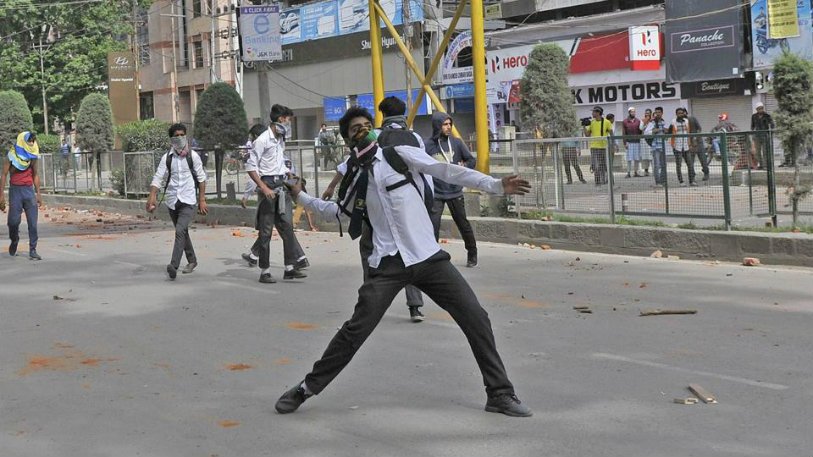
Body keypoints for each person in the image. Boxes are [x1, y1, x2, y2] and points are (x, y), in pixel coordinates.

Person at [273, 106, 533, 417]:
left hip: (427, 256)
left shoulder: (399, 155)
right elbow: (337, 213)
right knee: (354, 331)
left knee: (476, 317)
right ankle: (306, 389)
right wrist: (301, 196)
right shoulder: (354, 179)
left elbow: (446, 171)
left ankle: (500, 394)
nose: (365, 131)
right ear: (348, 141)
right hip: (388, 265)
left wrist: (494, 185)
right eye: (357, 129)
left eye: (368, 125)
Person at [322, 96, 428, 322]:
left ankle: (371, 302)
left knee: (369, 250)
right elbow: (425, 172)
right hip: (407, 207)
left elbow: (348, 165)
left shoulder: (374, 135)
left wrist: (332, 187)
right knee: (410, 254)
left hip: (375, 208)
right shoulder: (416, 137)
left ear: (382, 115)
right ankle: (415, 306)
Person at [245, 108, 308, 283]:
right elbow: (251, 167)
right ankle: (264, 271)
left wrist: (287, 173)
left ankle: (290, 268)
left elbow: (277, 161)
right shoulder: (262, 140)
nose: (288, 124)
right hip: (268, 187)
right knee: (265, 232)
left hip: (281, 186)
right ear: (280, 119)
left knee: (287, 227)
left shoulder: (280, 140)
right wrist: (264, 188)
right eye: (287, 120)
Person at [145, 124, 208, 279]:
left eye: (182, 135)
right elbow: (158, 177)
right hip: (173, 200)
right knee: (183, 231)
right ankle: (192, 260)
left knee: (180, 230)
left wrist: (202, 200)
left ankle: (173, 265)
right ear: (172, 139)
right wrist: (152, 196)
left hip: (188, 200)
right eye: (176, 135)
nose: (180, 138)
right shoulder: (167, 157)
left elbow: (201, 178)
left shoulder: (192, 156)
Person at [425, 112, 479, 268]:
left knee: (463, 223)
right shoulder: (428, 146)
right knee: (432, 226)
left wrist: (464, 167)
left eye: (450, 124)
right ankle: (431, 256)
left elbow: (471, 160)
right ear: (437, 126)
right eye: (445, 124)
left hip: (455, 191)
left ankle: (472, 253)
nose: (448, 127)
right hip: (436, 193)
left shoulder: (456, 143)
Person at [0, 131, 43, 260]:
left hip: (29, 191)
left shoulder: (32, 157)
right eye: (29, 141)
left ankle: (33, 250)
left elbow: (35, 174)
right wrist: (1, 195)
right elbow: (4, 175)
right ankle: (14, 240)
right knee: (13, 222)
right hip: (15, 191)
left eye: (33, 141)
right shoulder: (11, 156)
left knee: (33, 223)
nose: (31, 143)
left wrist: (38, 193)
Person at [668, 107, 705, 186]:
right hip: (677, 147)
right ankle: (681, 181)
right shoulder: (673, 122)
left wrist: (690, 144)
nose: (681, 114)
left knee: (690, 164)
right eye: (679, 113)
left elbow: (689, 133)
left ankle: (692, 181)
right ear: (676, 114)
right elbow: (669, 133)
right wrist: (672, 144)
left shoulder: (686, 121)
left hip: (686, 146)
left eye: (682, 113)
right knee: (679, 165)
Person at [584, 106, 613, 185]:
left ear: (598, 113)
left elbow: (611, 134)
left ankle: (607, 181)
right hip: (594, 147)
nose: (592, 113)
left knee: (605, 165)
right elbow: (587, 135)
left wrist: (612, 145)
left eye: (594, 112)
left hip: (604, 147)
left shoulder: (607, 122)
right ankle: (597, 181)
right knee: (596, 165)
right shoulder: (592, 122)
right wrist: (583, 126)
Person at [646, 107, 668, 187]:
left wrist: (666, 132)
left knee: (663, 165)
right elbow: (646, 133)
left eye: (659, 112)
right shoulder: (652, 123)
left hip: (662, 146)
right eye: (656, 112)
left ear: (662, 113)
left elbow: (665, 134)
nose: (657, 114)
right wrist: (656, 130)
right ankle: (658, 182)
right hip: (655, 147)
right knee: (656, 165)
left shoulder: (663, 122)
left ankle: (663, 181)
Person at [751, 103, 776, 168]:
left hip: (765, 136)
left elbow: (772, 125)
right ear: (756, 109)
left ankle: (765, 165)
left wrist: (769, 131)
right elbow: (752, 126)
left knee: (765, 151)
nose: (760, 110)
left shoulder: (767, 116)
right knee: (757, 152)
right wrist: (753, 135)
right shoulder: (754, 116)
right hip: (757, 136)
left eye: (761, 108)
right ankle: (761, 165)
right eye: (759, 109)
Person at [622, 107, 642, 178]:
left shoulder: (638, 121)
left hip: (637, 142)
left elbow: (640, 131)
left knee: (637, 158)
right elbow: (623, 133)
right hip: (629, 143)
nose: (633, 113)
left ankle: (636, 172)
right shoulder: (625, 121)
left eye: (634, 112)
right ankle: (628, 173)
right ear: (629, 113)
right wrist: (625, 143)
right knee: (629, 159)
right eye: (632, 112)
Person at [638, 108, 653, 176]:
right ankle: (646, 170)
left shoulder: (653, 121)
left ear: (651, 114)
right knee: (645, 156)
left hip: (651, 139)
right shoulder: (642, 120)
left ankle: (654, 170)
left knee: (652, 155)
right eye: (646, 113)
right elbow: (641, 128)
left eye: (648, 113)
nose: (647, 114)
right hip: (644, 140)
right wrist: (645, 122)